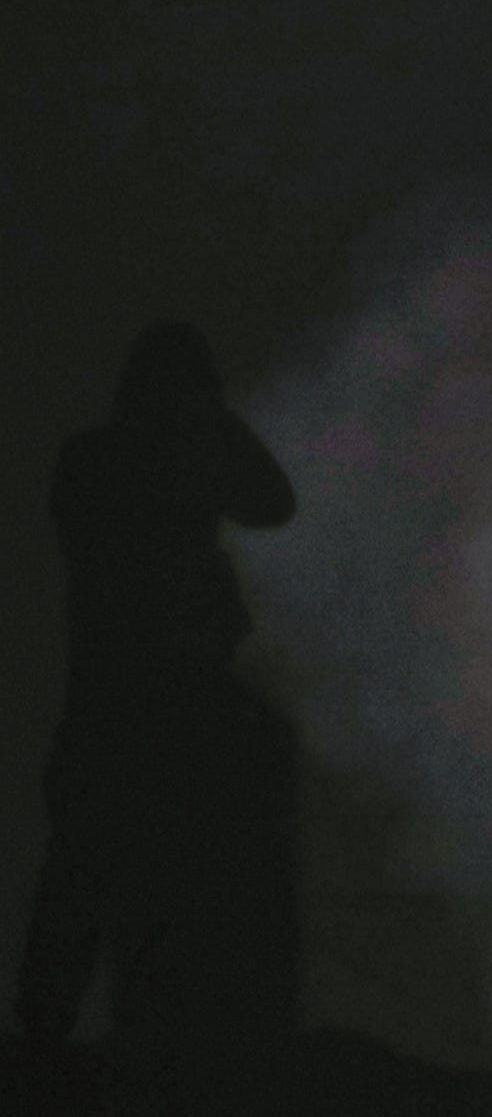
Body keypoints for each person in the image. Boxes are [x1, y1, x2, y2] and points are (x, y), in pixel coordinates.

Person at [17, 322, 299, 1053]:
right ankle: (82, 1033)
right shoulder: (124, 461)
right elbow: (269, 500)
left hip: (121, 699)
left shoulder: (92, 456)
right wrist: (213, 426)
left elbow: (271, 503)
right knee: (113, 867)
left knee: (99, 866)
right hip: (143, 697)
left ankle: (62, 1032)